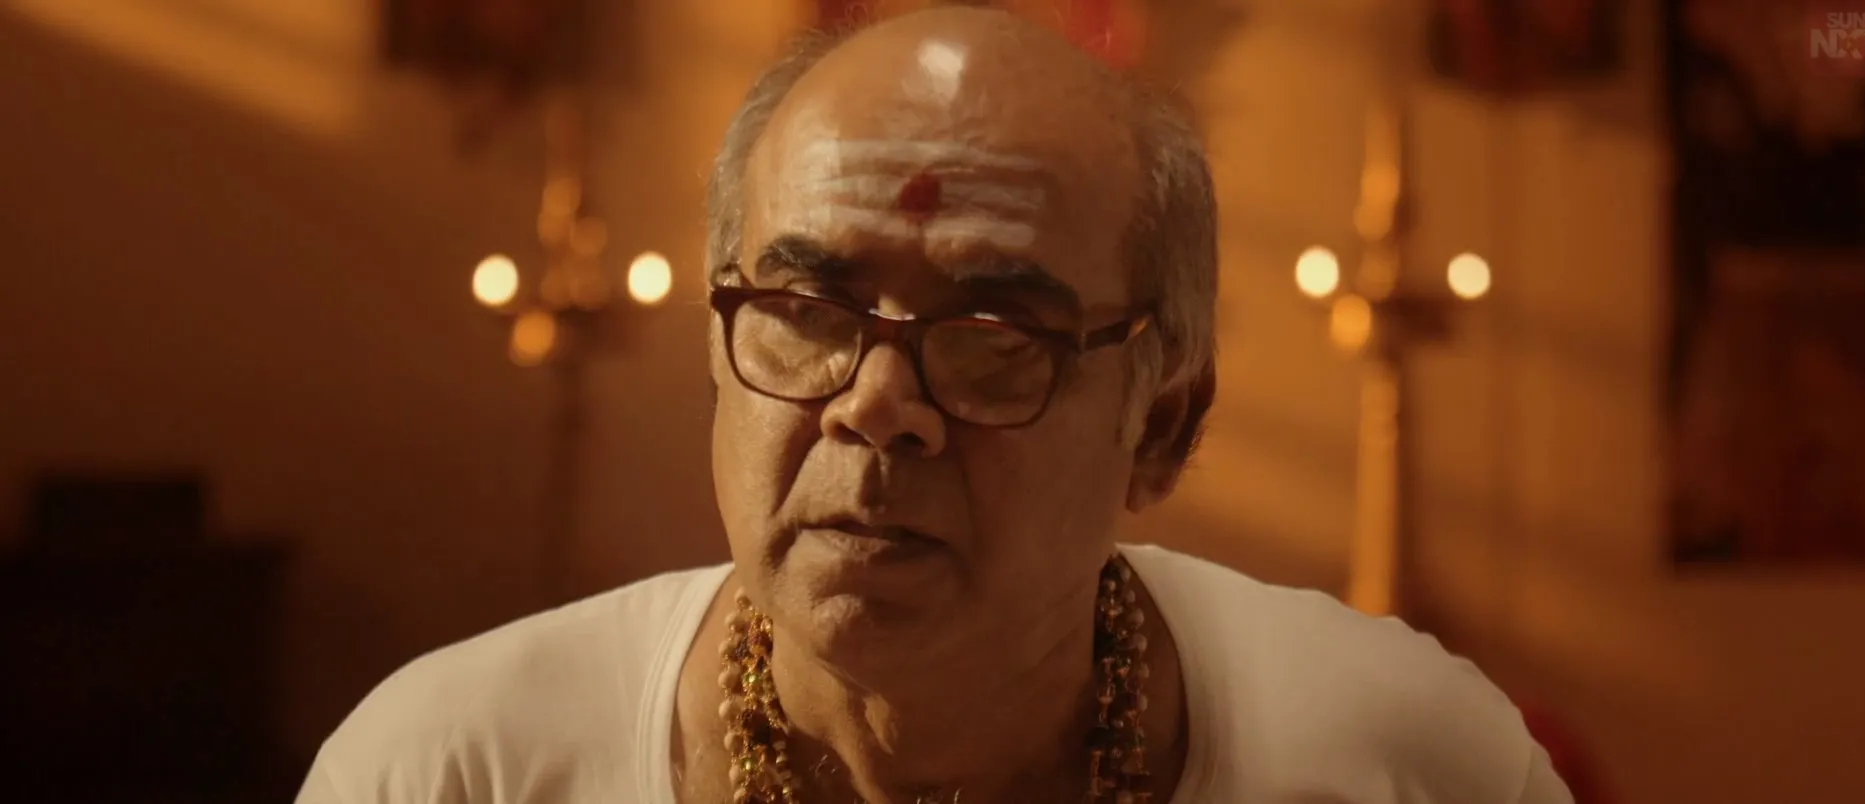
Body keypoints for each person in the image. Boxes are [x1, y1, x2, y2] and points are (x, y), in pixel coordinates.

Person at [296, 6, 1574, 803]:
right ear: (715, 358)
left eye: (994, 338)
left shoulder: (1409, 764)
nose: (879, 406)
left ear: (1162, 420)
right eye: (808, 311)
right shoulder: (451, 769)